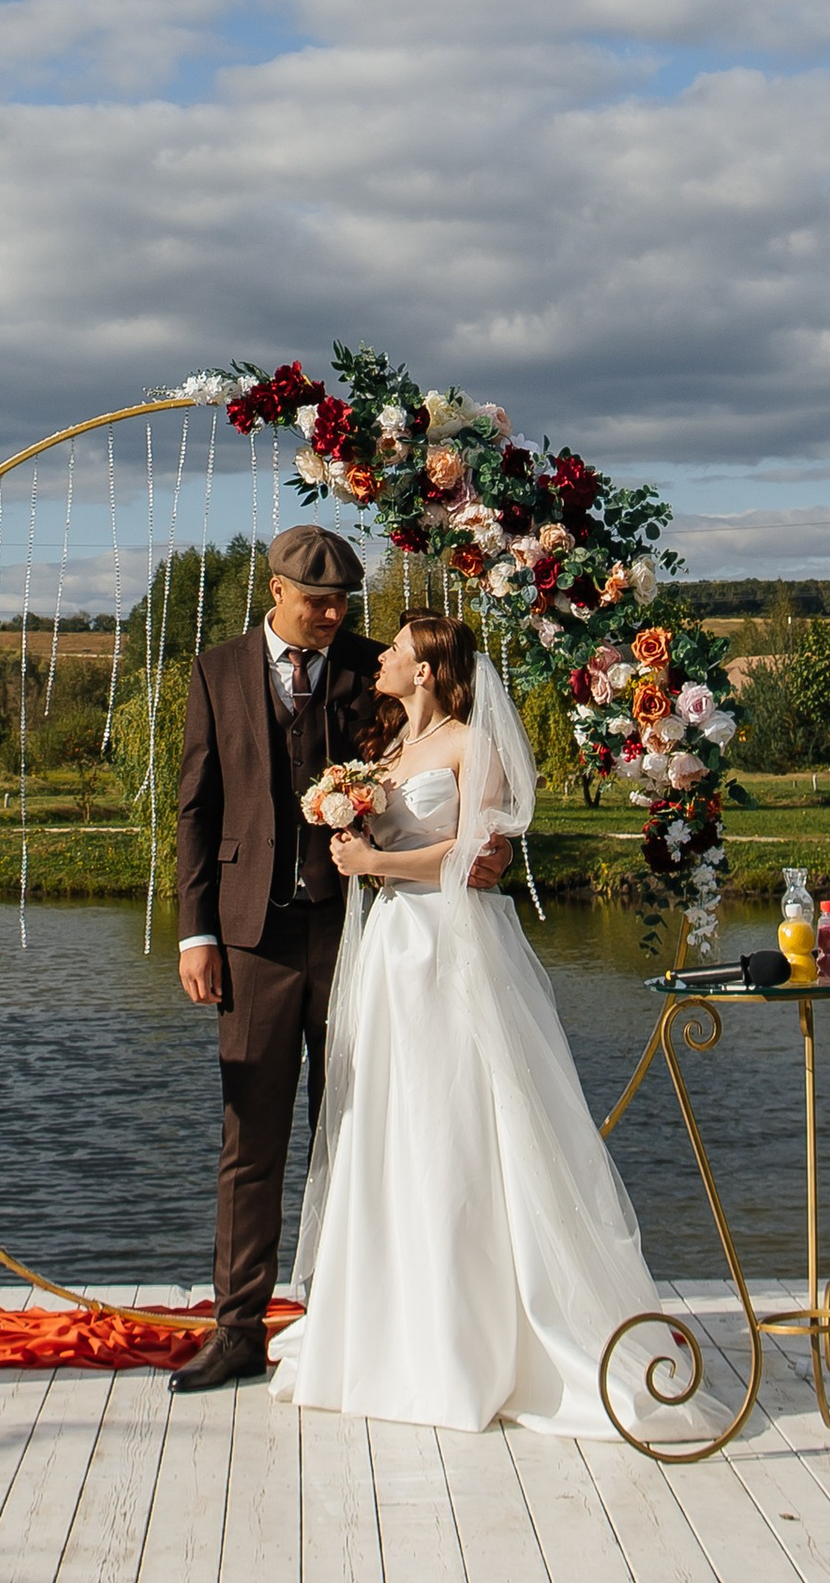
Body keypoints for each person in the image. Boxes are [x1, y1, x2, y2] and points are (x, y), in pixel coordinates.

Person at [269, 610, 691, 1434]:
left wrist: (376, 860)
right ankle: (387, 1324)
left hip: (451, 944)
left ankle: (483, 1332)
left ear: (427, 669)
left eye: (394, 651)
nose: (382, 660)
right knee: (390, 1119)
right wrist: (345, 819)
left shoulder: (472, 745)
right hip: (394, 948)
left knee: (458, 1118)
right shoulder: (389, 752)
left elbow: (473, 851)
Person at [168, 525, 508, 1395]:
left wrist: (486, 842)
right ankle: (238, 1328)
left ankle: (348, 1316)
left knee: (355, 1127)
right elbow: (197, 810)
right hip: (251, 938)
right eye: (316, 601)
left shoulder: (374, 667)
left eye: (341, 604)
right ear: (274, 589)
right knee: (252, 1135)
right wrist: (195, 932)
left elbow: (449, 761)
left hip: (359, 927)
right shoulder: (216, 671)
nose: (331, 616)